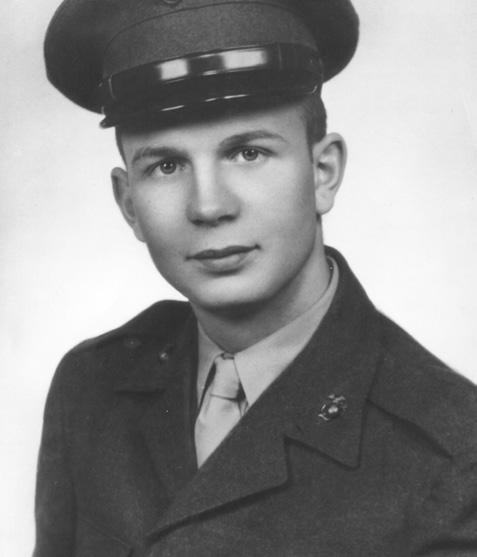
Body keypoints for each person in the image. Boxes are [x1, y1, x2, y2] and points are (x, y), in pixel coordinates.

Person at [34, 0, 477, 555]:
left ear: (323, 173)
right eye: (166, 166)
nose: (208, 206)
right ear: (129, 204)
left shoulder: (452, 455)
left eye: (248, 153)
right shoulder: (92, 387)